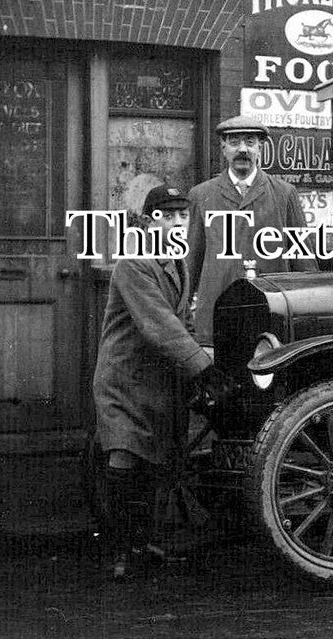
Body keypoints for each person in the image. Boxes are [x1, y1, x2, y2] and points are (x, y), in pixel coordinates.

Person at [91, 185, 230, 580]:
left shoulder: (178, 264)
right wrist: (202, 367)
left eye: (182, 216)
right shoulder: (134, 264)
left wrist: (208, 357)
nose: (176, 223)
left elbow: (182, 322)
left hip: (159, 380)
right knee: (125, 458)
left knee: (157, 465)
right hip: (126, 380)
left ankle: (144, 544)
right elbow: (159, 325)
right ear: (149, 221)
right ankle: (122, 552)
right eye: (166, 216)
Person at [187, 116, 315, 348]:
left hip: (272, 318)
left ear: (260, 148)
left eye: (250, 142)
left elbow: (303, 263)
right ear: (223, 148)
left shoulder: (284, 194)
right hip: (216, 318)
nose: (243, 149)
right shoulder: (201, 195)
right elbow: (191, 262)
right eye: (235, 142)